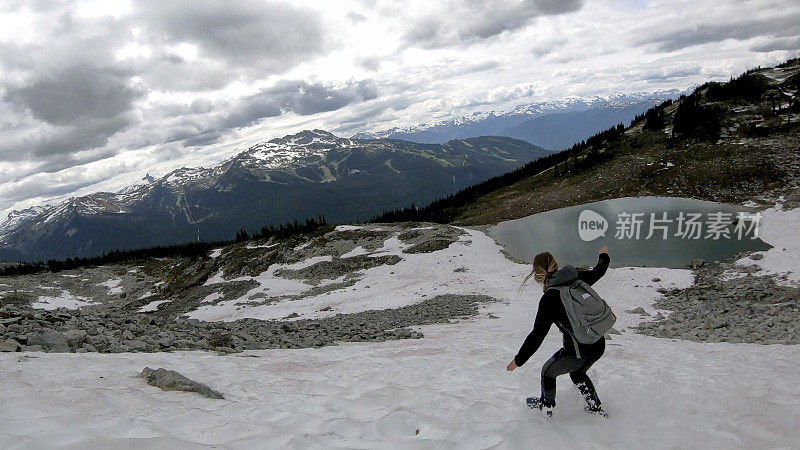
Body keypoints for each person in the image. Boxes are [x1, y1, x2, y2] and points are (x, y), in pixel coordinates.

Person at [506, 246, 611, 417]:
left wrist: (519, 360)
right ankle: (596, 409)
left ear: (537, 274)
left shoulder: (550, 298)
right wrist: (603, 254)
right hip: (598, 343)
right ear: (555, 264)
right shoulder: (577, 278)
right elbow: (599, 271)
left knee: (548, 372)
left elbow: (537, 334)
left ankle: (546, 409)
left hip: (579, 352)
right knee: (577, 373)